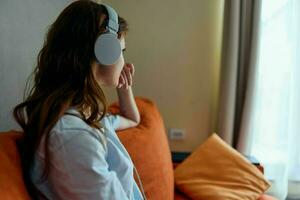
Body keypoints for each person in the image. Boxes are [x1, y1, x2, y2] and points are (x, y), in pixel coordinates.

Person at [13, 0, 146, 199]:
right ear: (105, 51)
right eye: (121, 51)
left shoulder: (89, 116)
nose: (123, 61)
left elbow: (132, 119)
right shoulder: (71, 135)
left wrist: (125, 88)